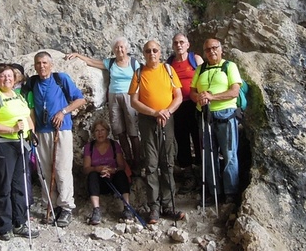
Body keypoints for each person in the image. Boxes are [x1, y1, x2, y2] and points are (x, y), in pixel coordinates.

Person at [22, 51, 87, 227]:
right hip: (41, 132)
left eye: (44, 63)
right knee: (44, 171)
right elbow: (27, 105)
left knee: (62, 169)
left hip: (61, 130)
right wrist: (31, 129)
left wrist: (63, 112)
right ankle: (50, 205)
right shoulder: (32, 82)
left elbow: (80, 100)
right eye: (38, 63)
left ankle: (66, 207)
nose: (41, 66)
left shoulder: (61, 79)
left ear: (51, 65)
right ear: (34, 66)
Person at [129, 40, 185, 224]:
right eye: (148, 51)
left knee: (168, 161)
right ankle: (154, 207)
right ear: (143, 54)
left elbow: (178, 96)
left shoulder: (168, 70)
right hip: (147, 120)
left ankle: (168, 205)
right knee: (151, 163)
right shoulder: (138, 73)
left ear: (160, 52)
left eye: (155, 50)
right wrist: (154, 112)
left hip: (167, 120)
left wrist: (166, 111)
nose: (151, 53)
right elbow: (134, 101)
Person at [66, 38, 143, 172]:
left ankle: (138, 161)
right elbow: (91, 62)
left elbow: (142, 79)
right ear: (114, 50)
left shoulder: (133, 62)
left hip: (130, 96)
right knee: (120, 131)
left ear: (127, 49)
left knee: (133, 131)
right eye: (117, 48)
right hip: (113, 97)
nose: (119, 50)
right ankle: (128, 160)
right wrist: (78, 55)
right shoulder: (111, 62)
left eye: (122, 47)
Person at [0, 64, 39, 241]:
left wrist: (32, 131)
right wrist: (11, 129)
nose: (6, 79)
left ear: (15, 79)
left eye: (9, 76)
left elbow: (27, 117)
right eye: (3, 76)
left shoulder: (17, 96)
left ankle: (19, 222)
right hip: (3, 145)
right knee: (4, 186)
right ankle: (4, 227)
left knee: (19, 185)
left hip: (21, 144)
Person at [190, 38, 242, 205]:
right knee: (208, 156)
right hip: (205, 116)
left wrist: (212, 97)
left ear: (221, 49)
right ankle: (215, 193)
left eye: (214, 48)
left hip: (225, 114)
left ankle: (230, 193)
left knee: (229, 155)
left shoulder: (230, 66)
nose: (211, 51)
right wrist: (198, 98)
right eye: (208, 49)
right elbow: (192, 91)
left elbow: (234, 91)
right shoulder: (201, 68)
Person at [166, 33, 204, 192]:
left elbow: (205, 77)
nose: (179, 45)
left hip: (195, 105)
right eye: (176, 43)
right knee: (181, 140)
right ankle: (188, 174)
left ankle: (203, 173)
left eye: (182, 42)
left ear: (188, 44)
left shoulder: (196, 59)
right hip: (178, 105)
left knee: (199, 137)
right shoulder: (169, 63)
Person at [83, 119, 134, 225]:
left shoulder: (114, 145)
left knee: (121, 174)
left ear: (107, 131)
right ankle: (96, 210)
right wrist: (97, 169)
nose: (100, 133)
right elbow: (86, 168)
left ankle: (127, 207)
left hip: (113, 180)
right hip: (100, 181)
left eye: (102, 130)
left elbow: (121, 166)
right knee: (92, 175)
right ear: (93, 133)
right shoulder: (89, 147)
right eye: (97, 131)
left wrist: (112, 170)